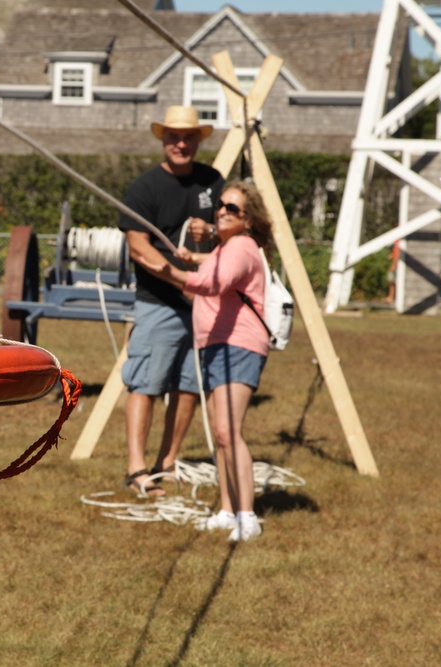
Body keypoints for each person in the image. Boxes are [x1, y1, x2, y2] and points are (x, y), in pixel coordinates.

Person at [134, 180, 273, 541]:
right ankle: (228, 511)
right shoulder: (227, 247)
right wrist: (192, 261)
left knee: (229, 432)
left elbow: (214, 284)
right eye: (222, 205)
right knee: (222, 435)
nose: (223, 211)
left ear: (248, 220)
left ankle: (247, 516)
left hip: (237, 346)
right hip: (218, 346)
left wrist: (167, 272)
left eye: (234, 209)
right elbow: (211, 271)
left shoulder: (241, 246)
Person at [118, 106, 224, 497]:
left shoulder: (213, 183)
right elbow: (137, 246)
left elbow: (236, 230)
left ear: (198, 140)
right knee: (146, 384)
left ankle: (166, 463)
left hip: (203, 308)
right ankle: (136, 469)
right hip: (159, 303)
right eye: (174, 137)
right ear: (163, 140)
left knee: (188, 386)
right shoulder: (144, 188)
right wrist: (182, 281)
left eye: (189, 137)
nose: (181, 144)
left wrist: (211, 228)